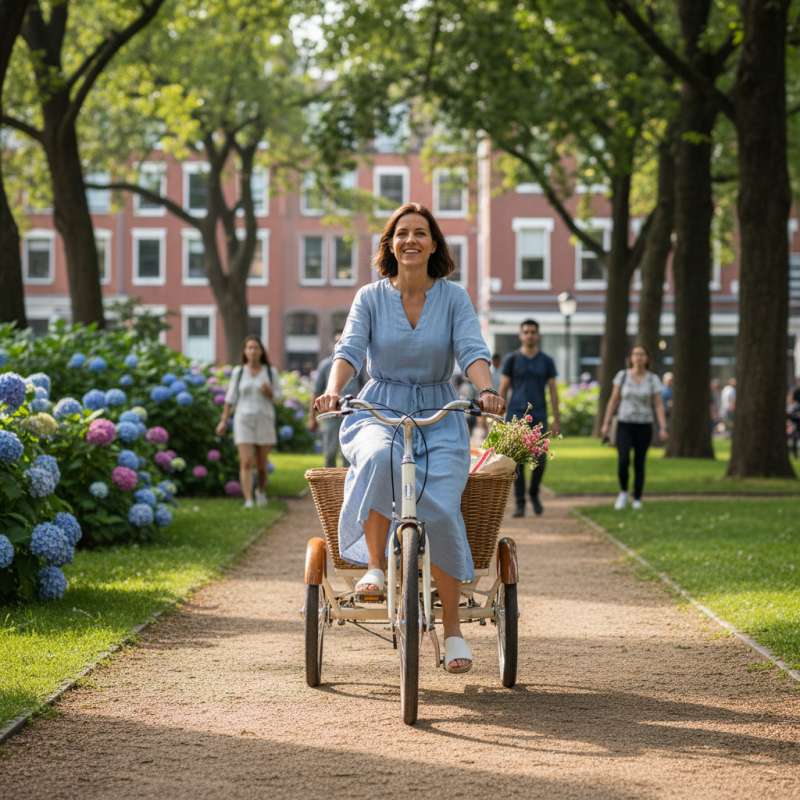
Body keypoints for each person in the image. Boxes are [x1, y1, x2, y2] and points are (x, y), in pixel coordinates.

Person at [314, 202, 504, 673]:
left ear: (434, 244)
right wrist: (334, 390)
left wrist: (486, 390)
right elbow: (349, 348)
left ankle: (453, 631)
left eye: (420, 232)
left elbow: (471, 349)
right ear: (390, 244)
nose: (411, 240)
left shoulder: (454, 298)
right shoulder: (369, 297)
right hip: (379, 407)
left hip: (440, 411)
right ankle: (375, 568)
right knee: (378, 456)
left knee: (438, 503)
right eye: (402, 233)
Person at [498, 319, 560, 517]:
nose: (529, 335)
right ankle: (520, 503)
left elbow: (553, 390)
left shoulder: (546, 361)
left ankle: (533, 493)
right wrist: (499, 416)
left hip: (539, 416)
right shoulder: (512, 359)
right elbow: (503, 387)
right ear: (521, 335)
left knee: (540, 459)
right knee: (517, 461)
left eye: (533, 332)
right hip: (516, 416)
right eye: (526, 332)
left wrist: (556, 418)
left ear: (538, 335)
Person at [216, 336, 282, 509]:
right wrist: (223, 421)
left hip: (264, 419)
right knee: (245, 462)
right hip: (243, 419)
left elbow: (278, 398)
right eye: (249, 348)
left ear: (261, 351)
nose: (253, 351)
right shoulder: (238, 372)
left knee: (261, 465)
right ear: (245, 351)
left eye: (256, 348)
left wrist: (269, 392)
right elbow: (230, 398)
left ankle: (260, 490)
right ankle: (248, 500)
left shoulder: (270, 372)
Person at [600, 344, 667, 510]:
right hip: (624, 423)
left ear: (647, 358)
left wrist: (663, 427)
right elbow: (613, 400)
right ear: (631, 358)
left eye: (642, 354)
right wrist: (605, 424)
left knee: (639, 462)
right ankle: (623, 492)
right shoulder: (622, 376)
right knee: (623, 461)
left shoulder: (652, 379)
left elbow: (658, 404)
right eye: (636, 354)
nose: (639, 357)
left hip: (644, 424)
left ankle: (637, 497)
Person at [309, 331, 364, 468]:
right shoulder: (325, 365)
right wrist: (311, 418)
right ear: (332, 344)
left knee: (349, 454)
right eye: (336, 342)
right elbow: (316, 391)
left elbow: (363, 389)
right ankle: (329, 480)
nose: (339, 344)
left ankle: (348, 481)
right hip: (331, 415)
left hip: (351, 414)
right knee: (330, 452)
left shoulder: (356, 365)